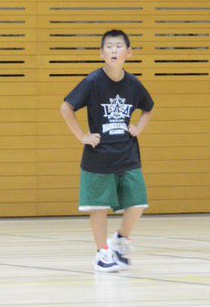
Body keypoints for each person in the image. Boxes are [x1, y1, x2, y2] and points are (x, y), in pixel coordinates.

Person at [60, 29, 155, 272]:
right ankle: (102, 253)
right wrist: (82, 136)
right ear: (101, 53)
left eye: (118, 46)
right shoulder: (93, 82)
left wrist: (138, 128)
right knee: (99, 208)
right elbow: (66, 108)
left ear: (129, 52)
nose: (114, 50)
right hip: (99, 156)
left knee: (138, 202)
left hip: (128, 154)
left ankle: (121, 240)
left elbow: (149, 108)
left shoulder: (133, 84)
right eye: (109, 47)